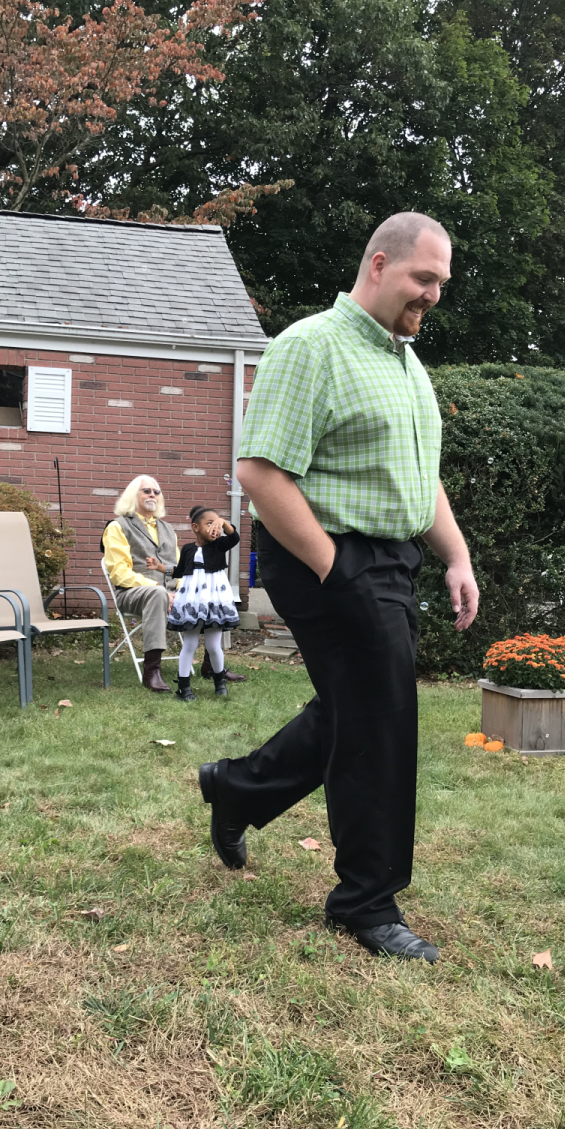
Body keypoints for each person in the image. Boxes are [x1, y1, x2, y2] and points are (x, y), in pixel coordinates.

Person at [197, 212, 479, 964]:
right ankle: (366, 902)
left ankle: (237, 788)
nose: (434, 295)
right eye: (424, 278)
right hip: (326, 553)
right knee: (381, 719)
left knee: (359, 704)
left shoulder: (405, 362)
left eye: (442, 283)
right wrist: (333, 566)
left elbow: (419, 479)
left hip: (390, 559)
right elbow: (260, 472)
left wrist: (455, 556)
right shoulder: (311, 346)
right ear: (379, 264)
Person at [102, 476, 246, 691]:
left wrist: (183, 591)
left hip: (173, 593)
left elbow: (183, 569)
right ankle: (152, 671)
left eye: (156, 492)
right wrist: (160, 589)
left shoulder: (167, 528)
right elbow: (119, 573)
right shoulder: (117, 526)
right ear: (132, 495)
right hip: (133, 593)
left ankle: (213, 665)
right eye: (147, 491)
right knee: (158, 594)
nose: (153, 495)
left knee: (210, 596)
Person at [166, 506, 240, 701]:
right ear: (195, 527)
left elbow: (234, 538)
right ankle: (183, 687)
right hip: (192, 601)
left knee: (214, 645)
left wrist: (223, 522)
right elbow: (180, 571)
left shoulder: (220, 545)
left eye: (217, 524)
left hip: (214, 600)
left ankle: (220, 682)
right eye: (209, 523)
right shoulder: (188, 549)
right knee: (189, 643)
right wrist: (160, 567)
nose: (215, 528)